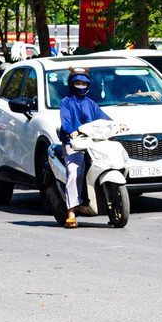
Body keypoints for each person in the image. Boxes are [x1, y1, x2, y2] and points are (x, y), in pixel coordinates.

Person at [59, 68, 110, 228]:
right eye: (78, 83)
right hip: (73, 143)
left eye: (84, 83)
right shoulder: (66, 102)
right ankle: (71, 214)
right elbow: (66, 122)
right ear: (72, 84)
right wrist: (71, 131)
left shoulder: (91, 103)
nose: (81, 86)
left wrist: (117, 125)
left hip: (92, 142)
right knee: (74, 172)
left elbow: (103, 118)